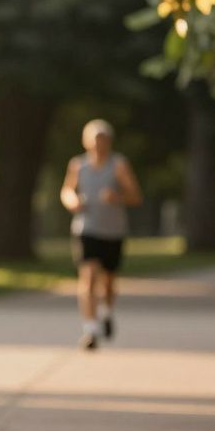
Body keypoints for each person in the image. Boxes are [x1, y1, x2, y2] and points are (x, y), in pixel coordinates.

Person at [60, 119, 142, 350]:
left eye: (102, 139)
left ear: (109, 142)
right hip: (87, 228)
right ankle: (90, 329)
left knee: (108, 281)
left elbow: (135, 196)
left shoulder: (119, 165)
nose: (98, 144)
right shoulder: (78, 165)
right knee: (88, 276)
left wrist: (117, 198)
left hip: (113, 230)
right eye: (94, 140)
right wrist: (72, 201)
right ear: (86, 142)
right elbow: (67, 190)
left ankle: (105, 313)